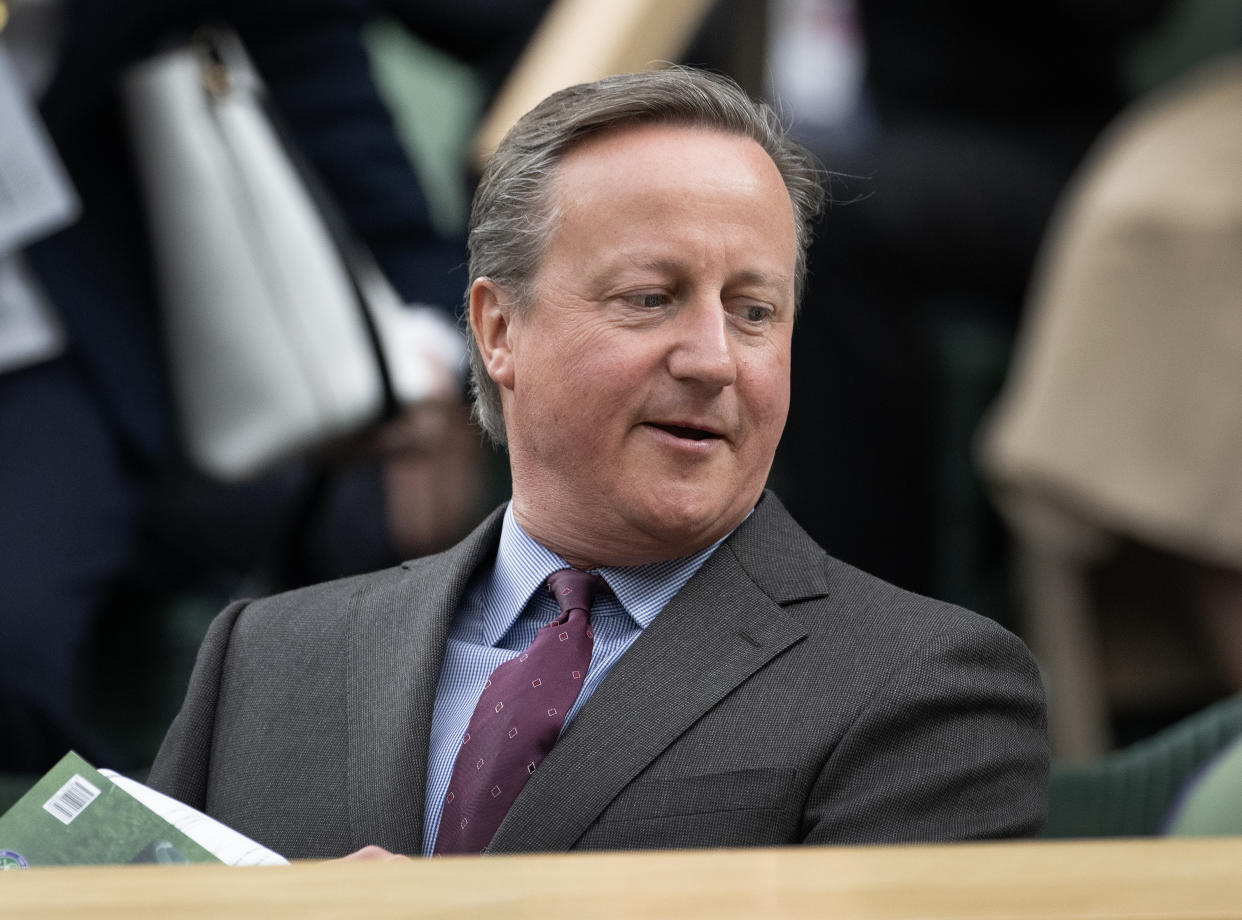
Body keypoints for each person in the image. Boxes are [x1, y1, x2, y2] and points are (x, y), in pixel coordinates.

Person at [147, 66, 1049, 859]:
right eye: (651, 298)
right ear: (500, 331)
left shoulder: (926, 686)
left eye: (754, 311)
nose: (713, 358)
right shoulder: (262, 661)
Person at [0, 0, 482, 774]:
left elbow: (308, 68)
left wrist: (428, 358)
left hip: (68, 334)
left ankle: (155, 868)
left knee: (11, 649)